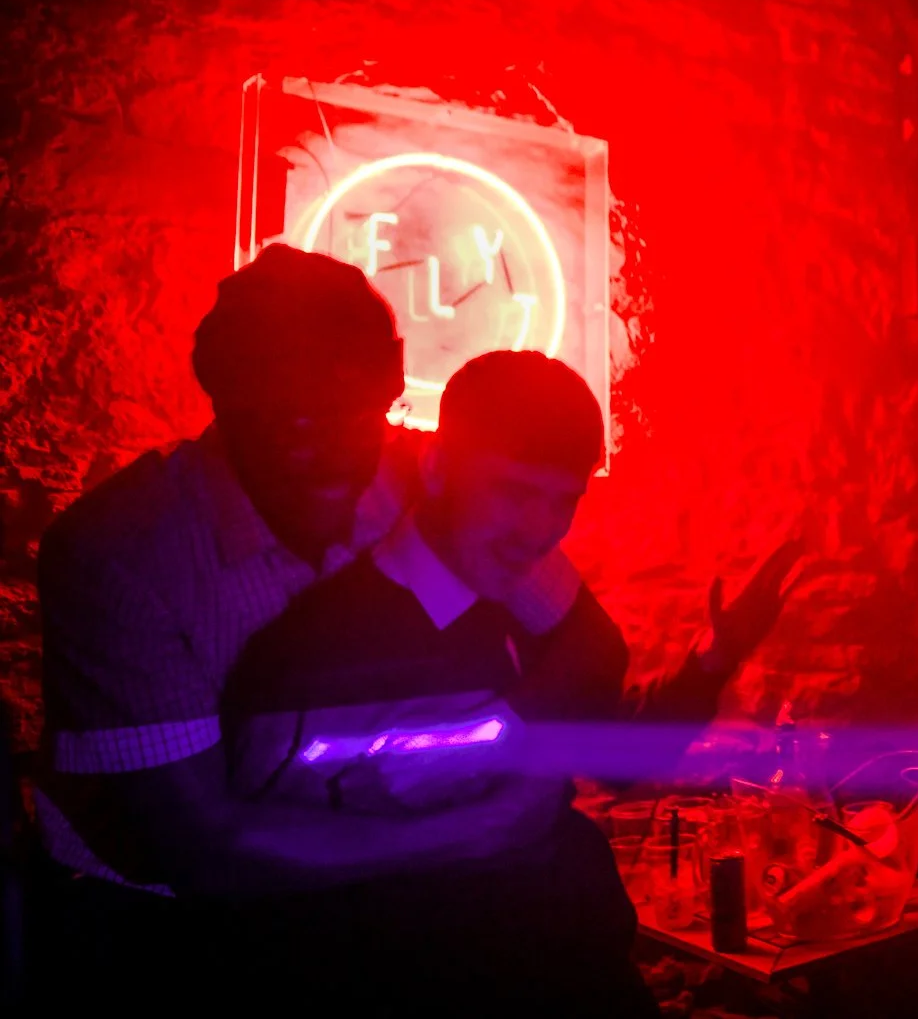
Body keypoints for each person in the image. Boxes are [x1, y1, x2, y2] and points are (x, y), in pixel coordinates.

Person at [32, 246, 797, 1007]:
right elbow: (204, 847)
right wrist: (484, 818)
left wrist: (504, 738)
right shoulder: (126, 551)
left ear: (392, 393)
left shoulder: (413, 475)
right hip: (188, 934)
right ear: (226, 397)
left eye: (360, 411)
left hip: (427, 913)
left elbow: (588, 643)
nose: (328, 444)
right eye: (290, 415)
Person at [217, 351, 705, 1015]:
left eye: (564, 500)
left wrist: (711, 661)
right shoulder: (313, 653)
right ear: (438, 466)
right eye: (515, 492)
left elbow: (611, 757)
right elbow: (263, 874)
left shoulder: (529, 617)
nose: (541, 529)